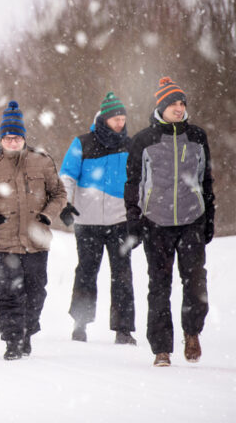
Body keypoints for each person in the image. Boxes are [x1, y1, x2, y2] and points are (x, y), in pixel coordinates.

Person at [125, 77, 214, 367]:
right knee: (159, 285)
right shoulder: (143, 140)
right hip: (156, 222)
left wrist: (208, 217)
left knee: (195, 281)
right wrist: (134, 219)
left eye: (182, 103)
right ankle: (161, 348)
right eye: (173, 103)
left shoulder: (198, 137)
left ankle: (192, 332)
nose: (179, 108)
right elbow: (133, 183)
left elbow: (206, 179)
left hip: (192, 220)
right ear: (161, 107)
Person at [0, 101, 67, 360]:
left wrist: (47, 215)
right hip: (4, 241)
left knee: (37, 291)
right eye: (7, 138)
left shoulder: (42, 162)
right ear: (1, 139)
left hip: (36, 240)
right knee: (7, 293)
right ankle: (12, 340)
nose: (12, 142)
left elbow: (59, 194)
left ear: (24, 138)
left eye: (16, 137)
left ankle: (26, 331)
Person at [60, 92, 136, 345]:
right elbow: (67, 176)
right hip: (87, 221)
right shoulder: (82, 143)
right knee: (86, 273)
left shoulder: (130, 145)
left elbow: (140, 181)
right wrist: (66, 204)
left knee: (122, 274)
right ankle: (80, 324)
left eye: (123, 119)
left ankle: (123, 330)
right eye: (116, 118)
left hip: (120, 221)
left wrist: (140, 215)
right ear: (104, 119)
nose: (120, 123)